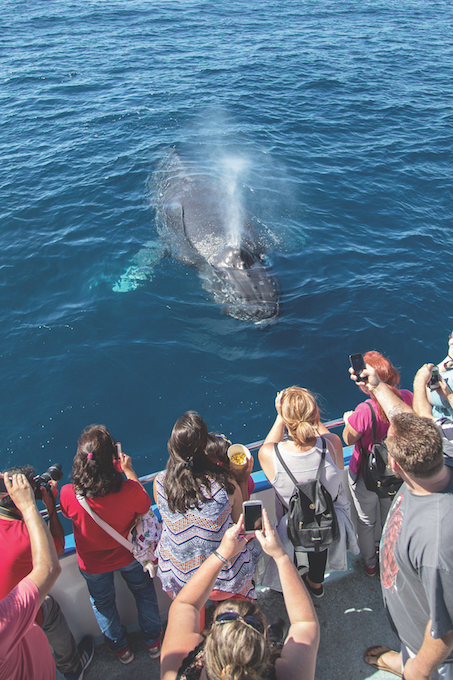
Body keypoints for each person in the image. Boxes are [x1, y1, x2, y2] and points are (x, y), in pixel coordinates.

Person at [349, 366, 453, 679]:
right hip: (411, 622)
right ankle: (402, 658)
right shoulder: (442, 453)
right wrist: (378, 387)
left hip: (434, 656)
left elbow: (447, 632)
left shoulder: (438, 544)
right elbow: (406, 420)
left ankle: (408, 665)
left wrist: (419, 672)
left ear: (394, 466)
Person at [160, 509, 320, 680]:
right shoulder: (290, 674)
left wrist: (222, 553)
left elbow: (184, 604)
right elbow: (305, 623)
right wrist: (280, 555)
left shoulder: (177, 672)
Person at [60, 425, 162, 665]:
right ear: (113, 459)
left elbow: (66, 512)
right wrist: (128, 471)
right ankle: (153, 643)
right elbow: (145, 506)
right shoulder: (128, 490)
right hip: (130, 556)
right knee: (144, 593)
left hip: (93, 564)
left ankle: (121, 650)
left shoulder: (68, 494)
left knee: (103, 605)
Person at [0, 465, 93, 680]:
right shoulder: (24, 537)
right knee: (48, 607)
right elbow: (56, 552)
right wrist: (48, 507)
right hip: (15, 617)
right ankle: (72, 668)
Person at [154, 412, 259, 601]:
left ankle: (197, 622)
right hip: (224, 579)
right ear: (204, 448)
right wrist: (242, 481)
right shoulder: (225, 485)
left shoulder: (160, 482)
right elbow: (241, 524)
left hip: (180, 577)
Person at [258, 386, 344, 598]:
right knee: (319, 545)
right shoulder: (333, 444)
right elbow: (326, 436)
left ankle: (292, 585)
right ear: (315, 415)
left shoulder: (270, 455)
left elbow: (269, 444)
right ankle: (316, 584)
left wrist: (280, 416)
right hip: (326, 517)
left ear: (286, 421)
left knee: (293, 545)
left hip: (292, 521)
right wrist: (313, 418)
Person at [342, 350, 413, 576]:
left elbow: (348, 438)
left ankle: (371, 564)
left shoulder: (364, 410)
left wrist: (347, 420)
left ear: (367, 383)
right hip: (395, 474)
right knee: (390, 519)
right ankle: (388, 559)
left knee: (366, 522)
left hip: (366, 475)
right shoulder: (407, 398)